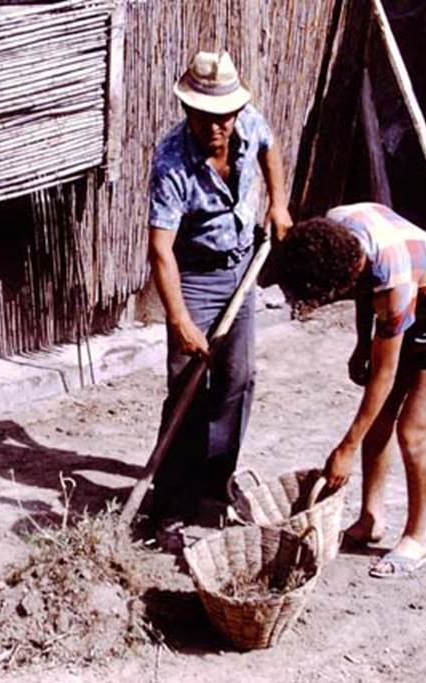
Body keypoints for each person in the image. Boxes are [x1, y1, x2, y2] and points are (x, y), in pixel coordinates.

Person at [278, 202, 426, 578]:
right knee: (377, 421)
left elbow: (384, 376)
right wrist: (361, 342)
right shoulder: (337, 229)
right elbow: (360, 289)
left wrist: (345, 449)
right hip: (408, 301)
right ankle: (371, 519)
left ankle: (418, 538)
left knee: (412, 431)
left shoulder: (391, 279)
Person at [146, 50, 292, 525]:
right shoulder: (171, 162)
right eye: (206, 116)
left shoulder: (246, 121)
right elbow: (160, 251)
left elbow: (271, 149)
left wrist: (278, 204)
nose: (217, 127)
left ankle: (215, 483)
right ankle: (169, 498)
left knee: (238, 378)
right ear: (188, 110)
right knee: (188, 387)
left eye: (223, 116)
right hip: (194, 277)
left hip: (242, 265)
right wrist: (180, 319)